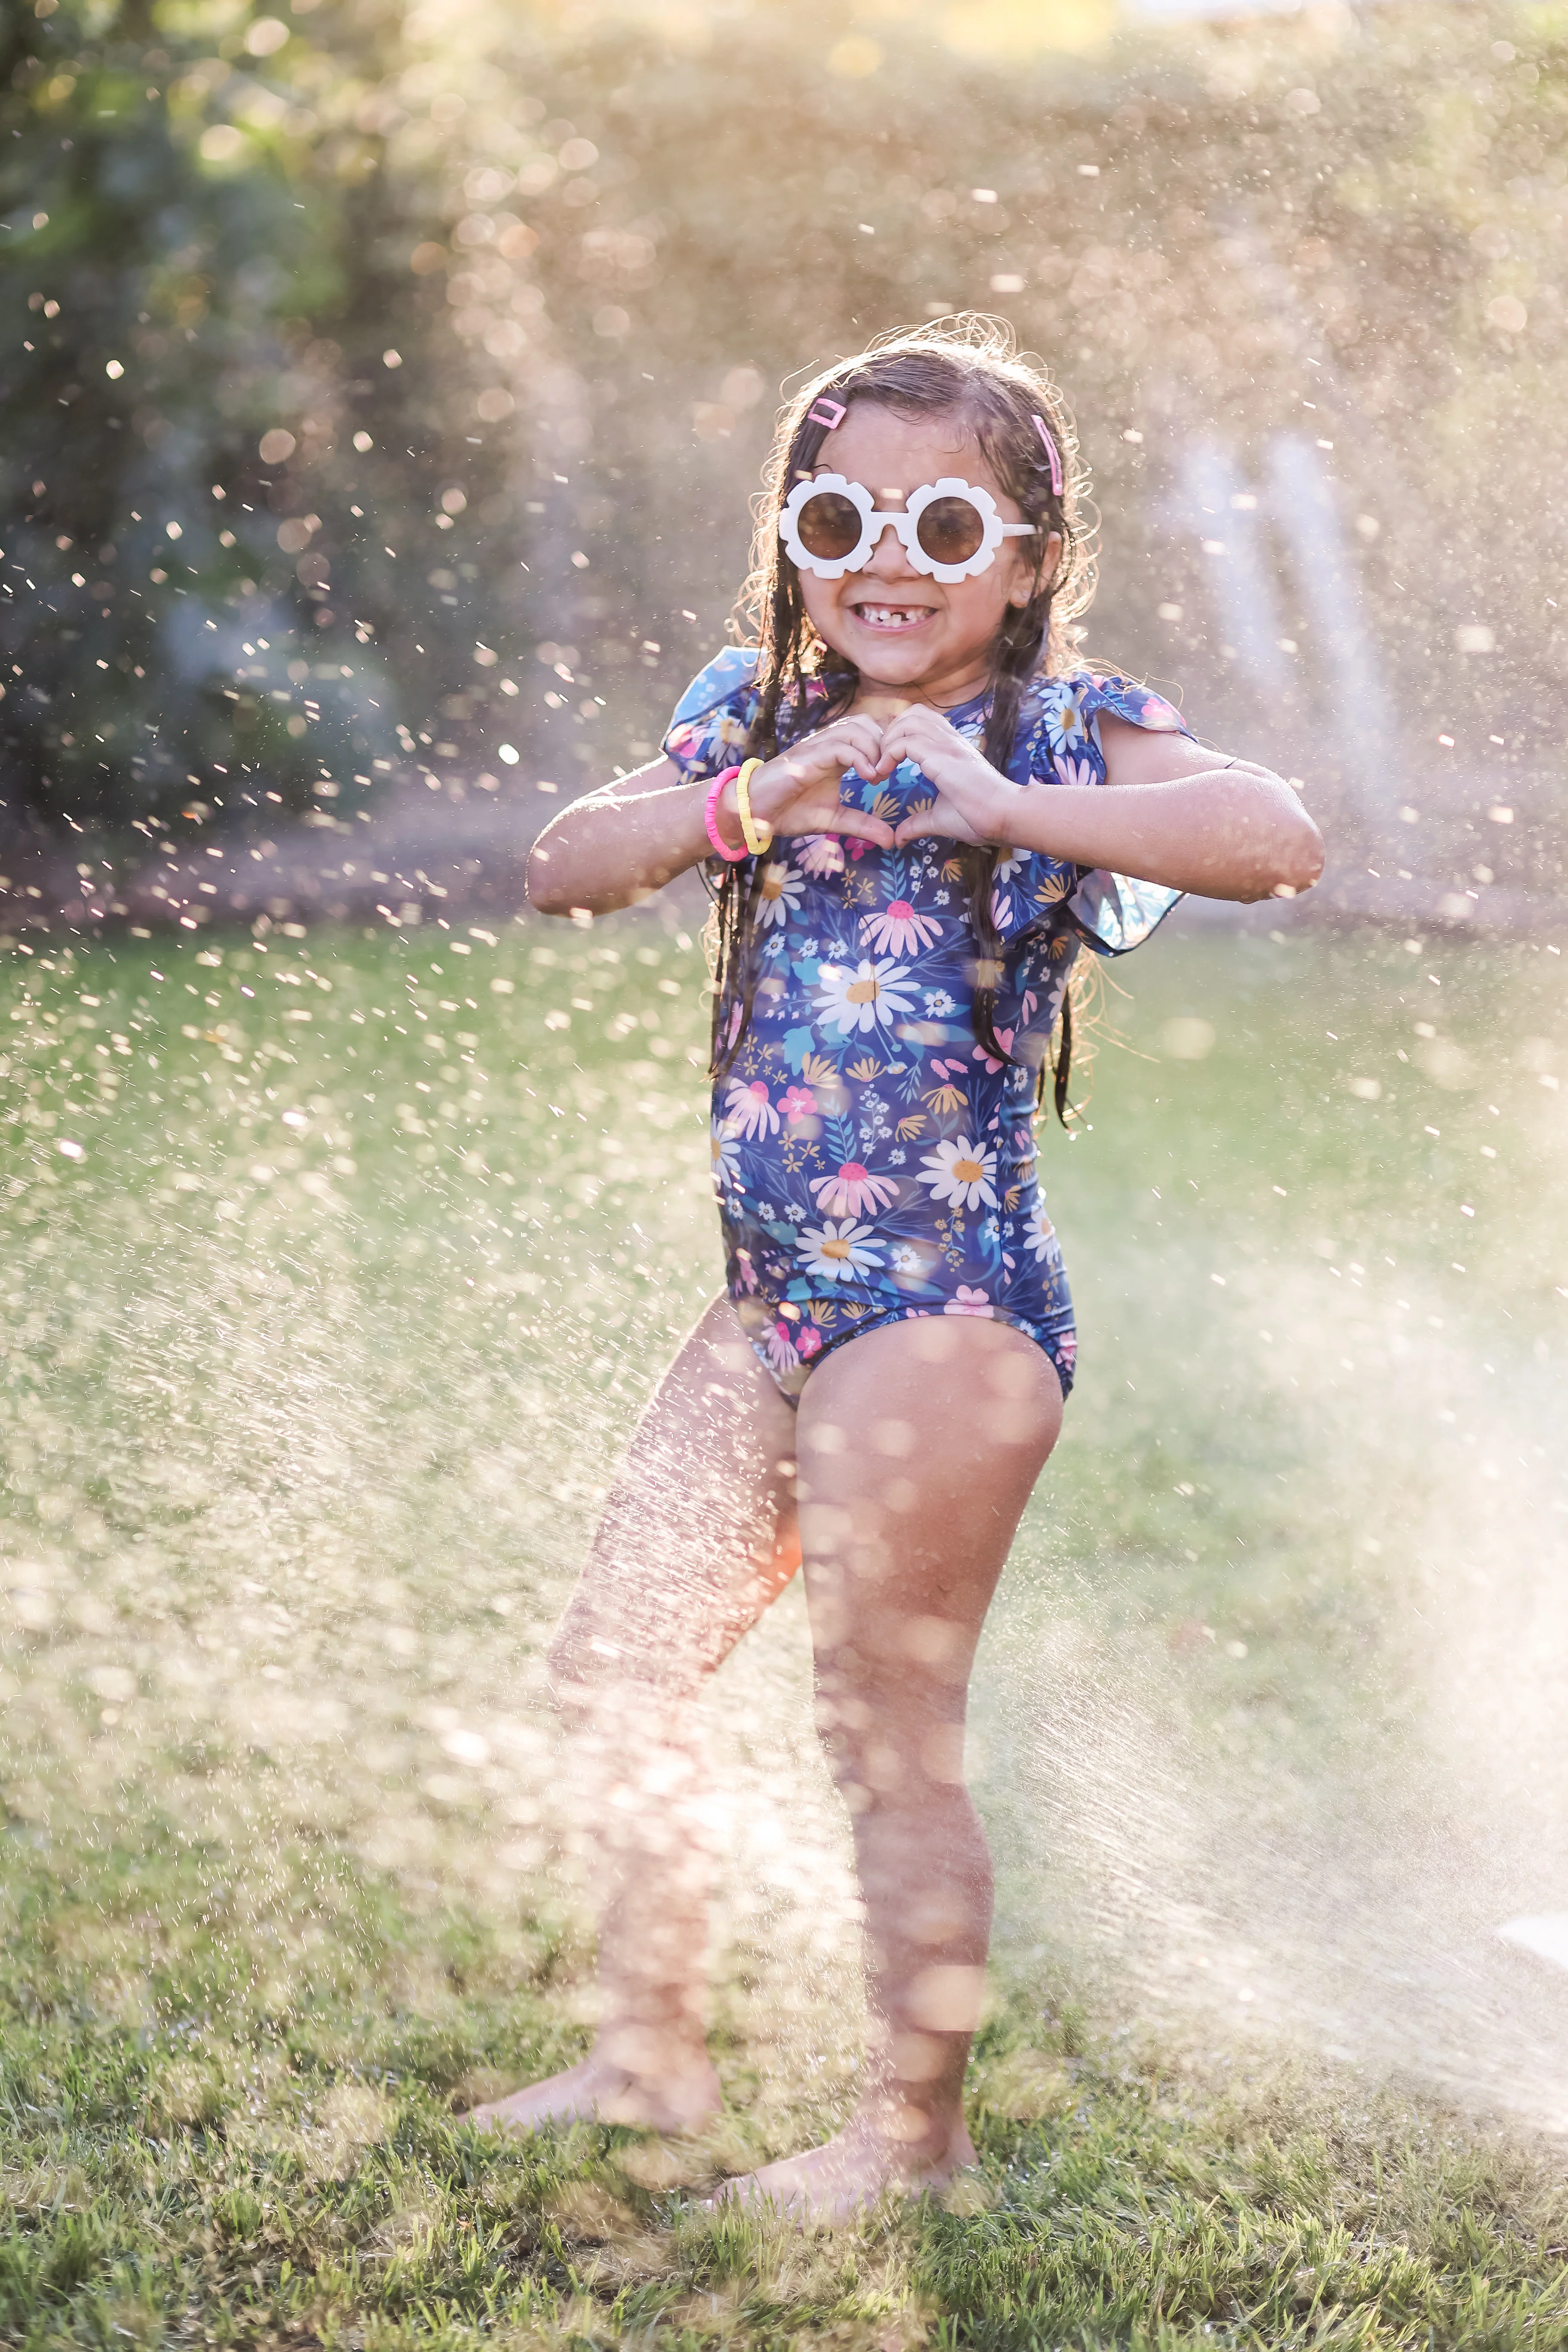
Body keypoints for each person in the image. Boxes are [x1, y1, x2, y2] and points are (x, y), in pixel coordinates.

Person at [469, 320, 1322, 2218]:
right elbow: (562, 864)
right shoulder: (752, 712)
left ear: (1028, 557)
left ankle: (911, 2149)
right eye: (841, 511)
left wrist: (999, 805)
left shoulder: (1060, 726)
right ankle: (649, 2059)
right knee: (619, 1664)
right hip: (771, 1304)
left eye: (948, 524)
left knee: (888, 1734)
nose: (891, 559)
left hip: (943, 1320)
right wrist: (746, 805)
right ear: (792, 532)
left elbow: (1274, 836)